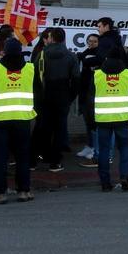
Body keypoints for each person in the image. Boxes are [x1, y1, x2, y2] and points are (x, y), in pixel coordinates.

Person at [0, 37, 36, 204]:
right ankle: (24, 191)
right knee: (23, 156)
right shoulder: (30, 69)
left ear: (4, 51)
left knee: (0, 156)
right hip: (22, 118)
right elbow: (40, 93)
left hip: (0, 119)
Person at [34, 27, 77, 171]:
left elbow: (34, 77)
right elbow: (76, 79)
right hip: (63, 95)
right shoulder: (71, 56)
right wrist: (70, 97)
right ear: (64, 39)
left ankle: (44, 155)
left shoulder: (41, 54)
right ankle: (55, 161)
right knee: (59, 129)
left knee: (44, 126)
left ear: (51, 38)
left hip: (44, 95)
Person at [93, 47, 128, 192]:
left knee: (104, 150)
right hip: (122, 118)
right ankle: (124, 176)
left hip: (103, 118)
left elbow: (90, 97)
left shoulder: (97, 74)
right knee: (124, 148)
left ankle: (105, 182)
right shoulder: (127, 74)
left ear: (106, 58)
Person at [76, 33, 102, 165]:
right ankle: (89, 145)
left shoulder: (99, 55)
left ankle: (95, 148)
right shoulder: (84, 53)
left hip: (94, 92)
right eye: (89, 41)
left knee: (94, 122)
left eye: (94, 41)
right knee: (87, 120)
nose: (91, 43)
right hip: (85, 91)